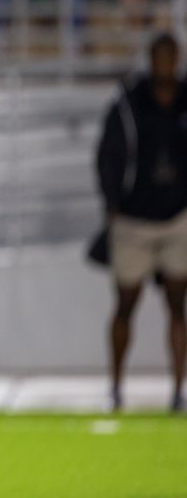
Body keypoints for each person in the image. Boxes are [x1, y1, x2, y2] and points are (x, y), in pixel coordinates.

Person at [96, 33, 187, 413]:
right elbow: (108, 154)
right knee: (125, 303)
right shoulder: (129, 102)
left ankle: (178, 391)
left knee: (178, 304)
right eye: (158, 57)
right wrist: (113, 203)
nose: (164, 64)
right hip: (134, 218)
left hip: (177, 217)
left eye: (171, 57)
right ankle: (116, 386)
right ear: (150, 60)